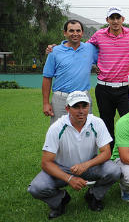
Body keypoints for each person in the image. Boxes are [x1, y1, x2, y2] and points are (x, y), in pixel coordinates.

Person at [28, 91, 120, 219]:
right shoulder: (56, 128)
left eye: (84, 106)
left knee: (114, 170)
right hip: (62, 167)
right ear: (67, 108)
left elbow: (106, 153)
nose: (81, 110)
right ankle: (60, 200)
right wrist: (69, 179)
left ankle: (94, 195)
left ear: (89, 106)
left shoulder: (97, 122)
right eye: (76, 106)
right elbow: (46, 163)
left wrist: (85, 165)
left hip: (89, 166)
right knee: (36, 188)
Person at [88, 7, 129, 150]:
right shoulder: (99, 35)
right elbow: (84, 48)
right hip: (104, 88)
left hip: (125, 88)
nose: (115, 21)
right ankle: (110, 157)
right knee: (106, 124)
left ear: (123, 19)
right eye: (112, 18)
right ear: (107, 20)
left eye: (118, 18)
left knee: (128, 122)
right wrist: (93, 62)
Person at [42, 20, 98, 124]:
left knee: (85, 132)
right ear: (65, 33)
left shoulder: (90, 49)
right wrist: (45, 103)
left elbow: (106, 57)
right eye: (71, 31)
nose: (75, 34)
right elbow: (47, 77)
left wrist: (98, 67)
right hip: (61, 99)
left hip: (83, 98)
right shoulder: (54, 51)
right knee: (59, 133)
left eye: (78, 30)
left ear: (82, 32)